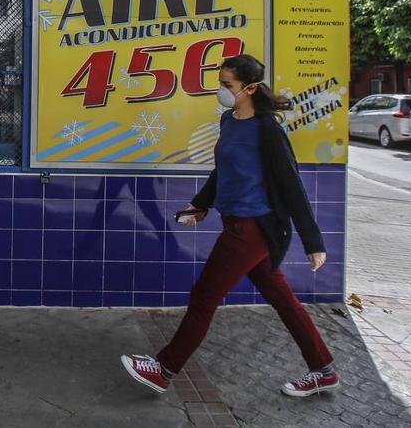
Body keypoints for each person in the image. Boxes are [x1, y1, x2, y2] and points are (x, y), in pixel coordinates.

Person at [121, 54, 338, 398]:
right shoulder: (228, 120)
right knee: (283, 300)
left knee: (204, 295)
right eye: (220, 83)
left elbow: (291, 183)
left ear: (250, 87)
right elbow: (223, 172)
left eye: (228, 85)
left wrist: (313, 241)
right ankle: (323, 369)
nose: (221, 90)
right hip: (236, 222)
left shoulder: (268, 128)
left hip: (253, 228)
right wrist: (200, 204)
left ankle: (163, 370)